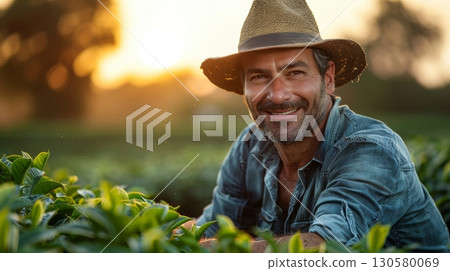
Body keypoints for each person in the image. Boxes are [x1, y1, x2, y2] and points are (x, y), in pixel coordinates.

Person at [195, 0, 449, 252]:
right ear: (244, 90)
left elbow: (324, 247)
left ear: (327, 79)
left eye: (295, 72)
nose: (279, 95)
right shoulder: (250, 146)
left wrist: (212, 250)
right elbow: (210, 229)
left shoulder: (371, 149)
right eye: (259, 77)